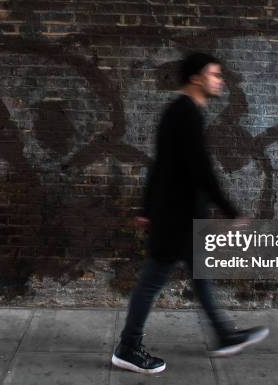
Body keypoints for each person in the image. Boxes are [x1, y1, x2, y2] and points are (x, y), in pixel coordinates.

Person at [111, 52, 269, 374]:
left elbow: (162, 163)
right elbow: (199, 168)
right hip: (176, 217)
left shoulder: (182, 112)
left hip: (179, 215)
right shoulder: (185, 114)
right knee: (152, 281)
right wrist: (229, 209)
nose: (220, 80)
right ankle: (128, 347)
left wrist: (145, 207)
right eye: (214, 74)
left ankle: (224, 335)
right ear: (197, 78)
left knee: (200, 276)